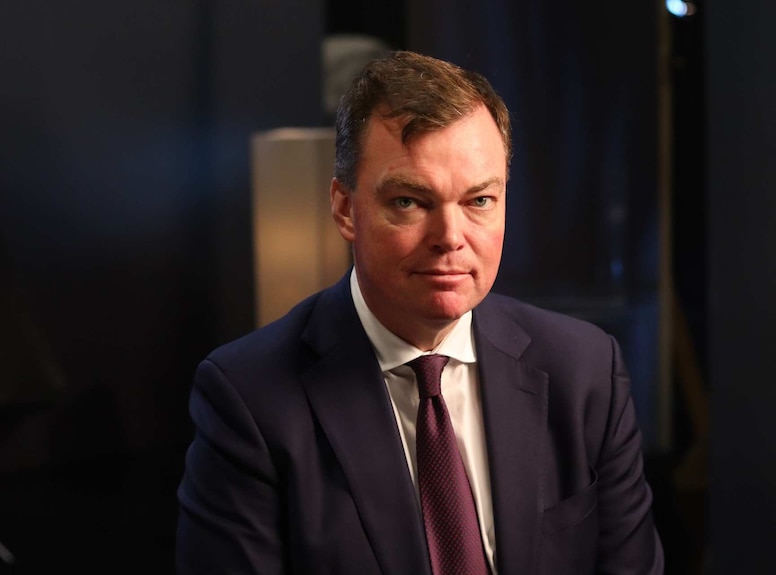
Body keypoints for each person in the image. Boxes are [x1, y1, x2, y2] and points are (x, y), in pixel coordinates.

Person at [176, 50, 664, 575]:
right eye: (410, 201)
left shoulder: (585, 370)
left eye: (479, 201)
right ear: (345, 209)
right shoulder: (250, 397)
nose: (450, 239)